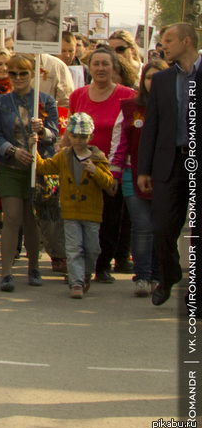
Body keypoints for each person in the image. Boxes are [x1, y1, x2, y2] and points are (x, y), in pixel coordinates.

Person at [136, 23, 199, 306]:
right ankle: (170, 273)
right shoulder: (162, 80)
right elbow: (151, 126)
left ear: (187, 41)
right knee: (162, 226)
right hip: (169, 163)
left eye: (169, 41)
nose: (163, 46)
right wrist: (144, 169)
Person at [0, 54, 58, 293]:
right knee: (12, 217)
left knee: (32, 219)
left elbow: (55, 135)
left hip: (37, 168)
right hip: (10, 167)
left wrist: (44, 132)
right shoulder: (1, 102)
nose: (17, 78)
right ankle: (6, 272)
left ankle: (34, 266)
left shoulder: (45, 100)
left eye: (23, 73)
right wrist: (13, 151)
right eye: (13, 73)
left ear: (33, 75)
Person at [68, 46, 136, 285]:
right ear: (89, 67)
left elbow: (131, 133)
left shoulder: (127, 95)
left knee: (110, 217)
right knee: (81, 217)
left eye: (105, 64)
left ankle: (103, 265)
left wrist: (118, 170)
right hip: (80, 166)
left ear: (114, 67)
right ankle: (80, 265)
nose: (100, 69)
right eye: (96, 64)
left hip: (112, 168)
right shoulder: (78, 95)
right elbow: (70, 131)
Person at [35, 113, 115, 298]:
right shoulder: (64, 156)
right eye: (75, 136)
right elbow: (45, 167)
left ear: (90, 137)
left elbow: (108, 183)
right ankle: (76, 282)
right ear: (69, 136)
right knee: (73, 248)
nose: (78, 141)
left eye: (83, 137)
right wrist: (34, 149)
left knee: (92, 248)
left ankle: (86, 274)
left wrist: (95, 171)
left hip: (91, 212)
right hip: (70, 211)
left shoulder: (98, 157)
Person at [111, 58, 167, 297]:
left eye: (157, 77)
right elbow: (120, 141)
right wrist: (114, 171)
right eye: (148, 77)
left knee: (161, 227)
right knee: (142, 225)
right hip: (131, 173)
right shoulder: (130, 107)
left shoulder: (177, 106)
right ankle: (142, 277)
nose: (152, 82)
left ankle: (158, 275)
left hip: (165, 176)